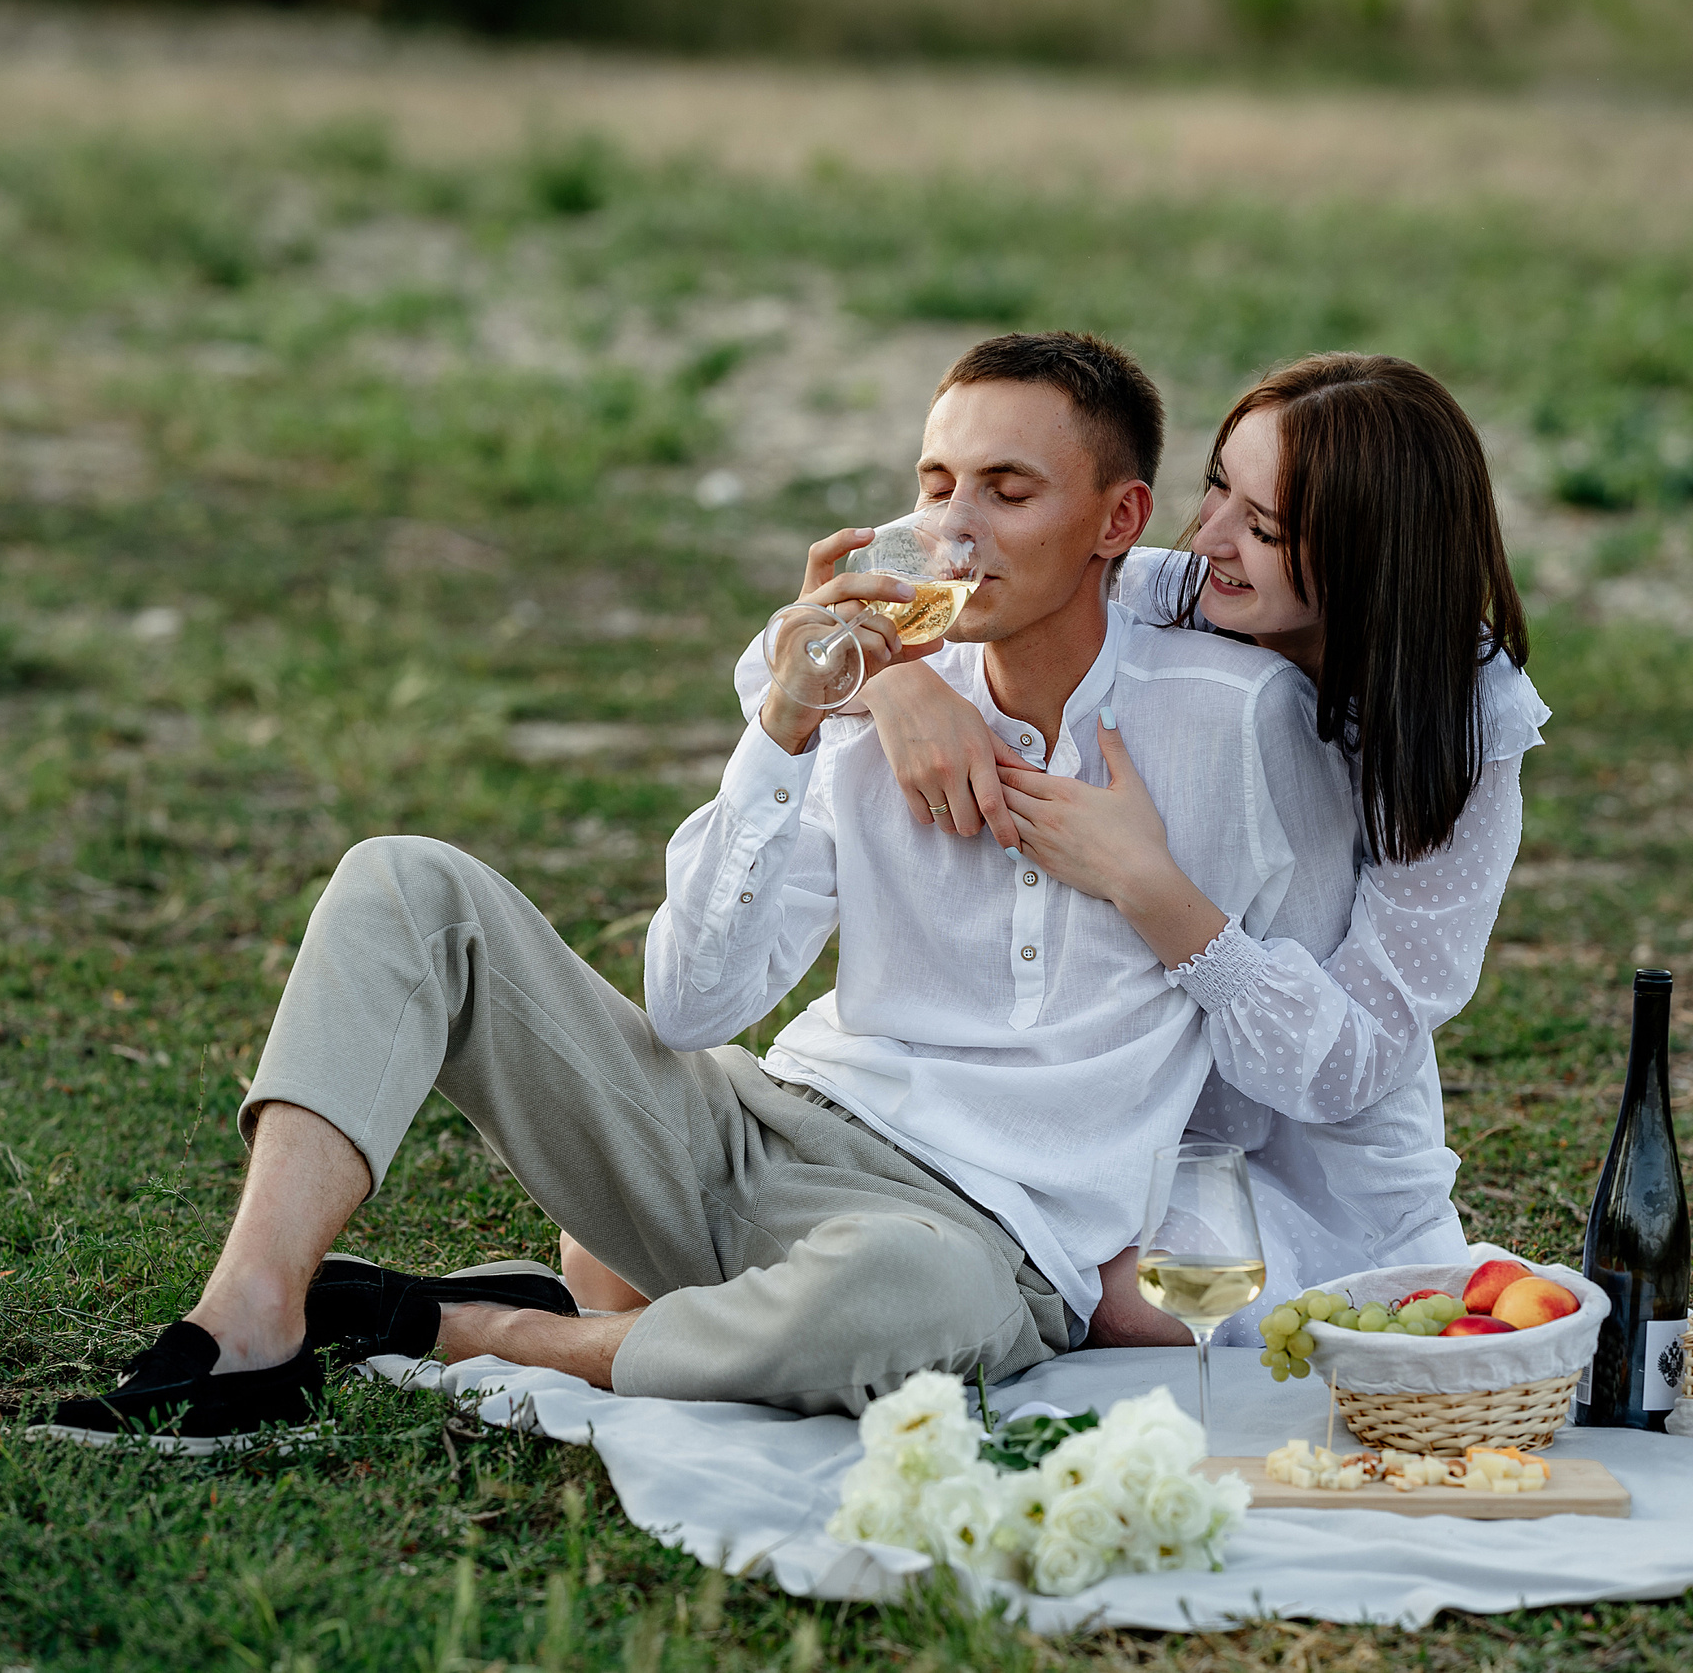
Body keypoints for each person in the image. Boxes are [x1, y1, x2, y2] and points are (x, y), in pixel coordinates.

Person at [32, 331, 1360, 1449]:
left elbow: (1294, 1048)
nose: (955, 526)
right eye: (937, 480)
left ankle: (479, 1324)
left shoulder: (1240, 724)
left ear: (1117, 522)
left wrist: (1152, 887)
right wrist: (788, 725)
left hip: (977, 1237)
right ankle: (247, 1321)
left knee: (905, 1307)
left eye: (1009, 491)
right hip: (753, 1127)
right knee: (406, 885)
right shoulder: (868, 687)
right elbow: (690, 998)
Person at [643, 352, 1543, 1346]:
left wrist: (1146, 884)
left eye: (1263, 525)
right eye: (1215, 489)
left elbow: (1350, 1067)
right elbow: (787, 651)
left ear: (1371, 555)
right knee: (637, 1239)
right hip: (1109, 1104)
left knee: (1142, 1302)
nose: (1208, 537)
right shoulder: (1182, 590)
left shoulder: (1461, 733)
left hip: (1294, 1136)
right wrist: (900, 686)